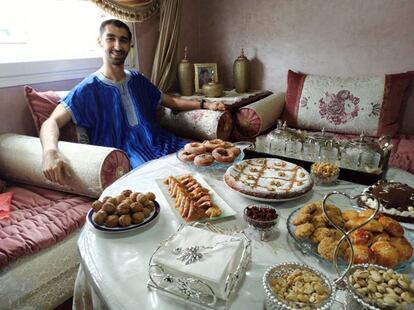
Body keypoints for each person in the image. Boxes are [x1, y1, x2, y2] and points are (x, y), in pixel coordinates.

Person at [40, 19, 225, 184]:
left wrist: (205, 104)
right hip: (128, 158)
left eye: (123, 40)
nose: (118, 46)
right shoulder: (87, 88)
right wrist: (50, 153)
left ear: (130, 45)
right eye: (111, 38)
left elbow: (172, 103)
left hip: (164, 145)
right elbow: (51, 122)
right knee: (173, 189)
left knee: (216, 168)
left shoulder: (137, 79)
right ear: (100, 42)